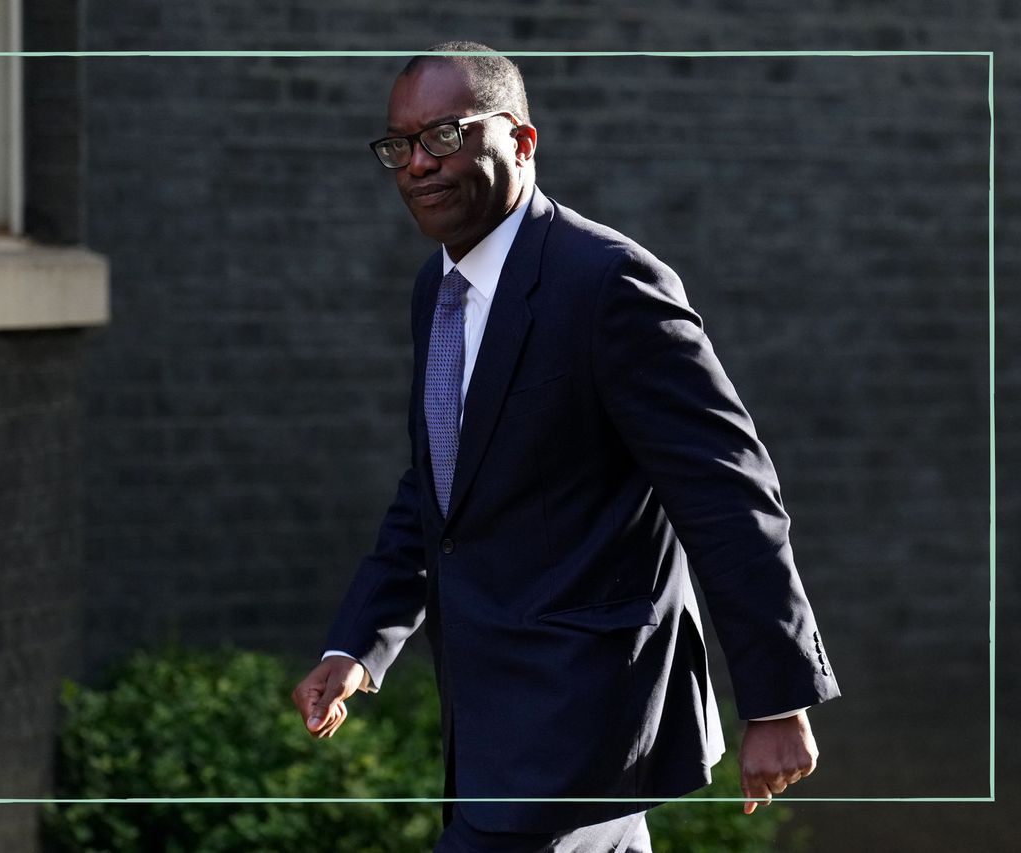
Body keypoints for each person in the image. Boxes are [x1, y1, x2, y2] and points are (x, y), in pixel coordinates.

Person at [291, 41, 840, 852]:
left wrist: (775, 698)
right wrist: (361, 642)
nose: (418, 164)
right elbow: (438, 487)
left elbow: (727, 493)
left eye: (445, 135)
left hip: (581, 716)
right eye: (399, 145)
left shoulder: (610, 284)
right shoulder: (435, 289)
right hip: (490, 724)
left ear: (521, 140)